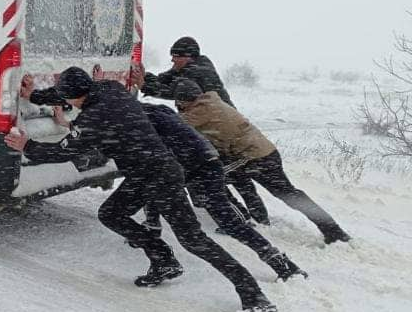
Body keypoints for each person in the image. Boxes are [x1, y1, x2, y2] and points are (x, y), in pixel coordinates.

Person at [4, 67, 277, 312]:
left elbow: (63, 151)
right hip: (152, 172)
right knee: (111, 213)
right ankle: (163, 259)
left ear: (74, 96)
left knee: (194, 239)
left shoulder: (92, 120)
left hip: (157, 176)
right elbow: (65, 93)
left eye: (66, 97)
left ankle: (253, 295)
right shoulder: (110, 88)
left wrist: (27, 144)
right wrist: (36, 95)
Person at [136, 103, 306, 280]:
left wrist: (152, 220)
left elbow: (152, 168)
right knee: (231, 223)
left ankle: (158, 248)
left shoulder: (137, 120)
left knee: (207, 227)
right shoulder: (159, 109)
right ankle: (282, 264)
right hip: (209, 161)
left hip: (193, 168)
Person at [172, 79, 352, 244]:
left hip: (252, 157)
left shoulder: (199, 111)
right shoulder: (212, 101)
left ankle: (241, 219)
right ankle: (331, 229)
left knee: (206, 178)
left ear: (183, 100)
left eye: (178, 102)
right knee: (288, 194)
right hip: (265, 152)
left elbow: (172, 125)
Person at [133, 36, 267, 222]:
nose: (172, 60)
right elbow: (164, 80)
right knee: (226, 174)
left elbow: (171, 91)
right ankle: (251, 216)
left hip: (219, 128)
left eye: (175, 56)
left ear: (188, 56)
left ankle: (243, 218)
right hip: (209, 126)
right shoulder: (187, 67)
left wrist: (145, 85)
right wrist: (146, 77)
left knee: (223, 174)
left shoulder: (197, 72)